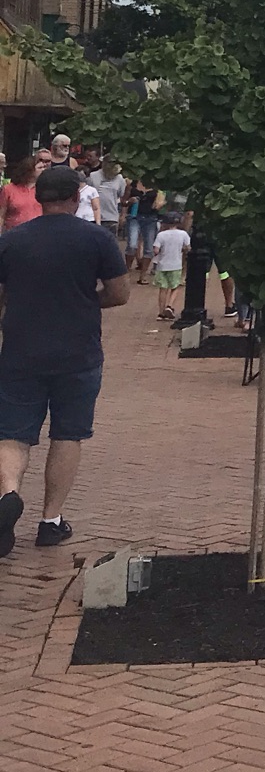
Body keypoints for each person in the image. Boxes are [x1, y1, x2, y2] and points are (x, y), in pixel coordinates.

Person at [0, 163, 131, 554]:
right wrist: (87, 300)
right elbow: (120, 293)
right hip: (78, 351)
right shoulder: (96, 239)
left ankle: (7, 493)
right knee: (68, 433)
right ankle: (50, 520)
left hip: (21, 350)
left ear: (38, 198)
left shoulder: (11, 241)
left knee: (12, 433)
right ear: (77, 197)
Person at [150, 213, 193, 321]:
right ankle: (170, 306)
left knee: (163, 289)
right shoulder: (183, 234)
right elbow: (188, 247)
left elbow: (156, 250)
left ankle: (161, 312)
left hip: (162, 265)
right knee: (175, 287)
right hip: (176, 264)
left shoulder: (161, 235)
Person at [88, 159, 127, 249]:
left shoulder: (120, 178)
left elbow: (121, 195)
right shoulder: (93, 176)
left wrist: (122, 215)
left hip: (112, 217)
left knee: (111, 246)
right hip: (94, 217)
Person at [1, 158, 41, 233]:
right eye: (40, 168)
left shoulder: (43, 188)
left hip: (37, 233)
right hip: (13, 233)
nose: (43, 170)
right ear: (29, 170)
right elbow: (1, 215)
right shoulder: (8, 189)